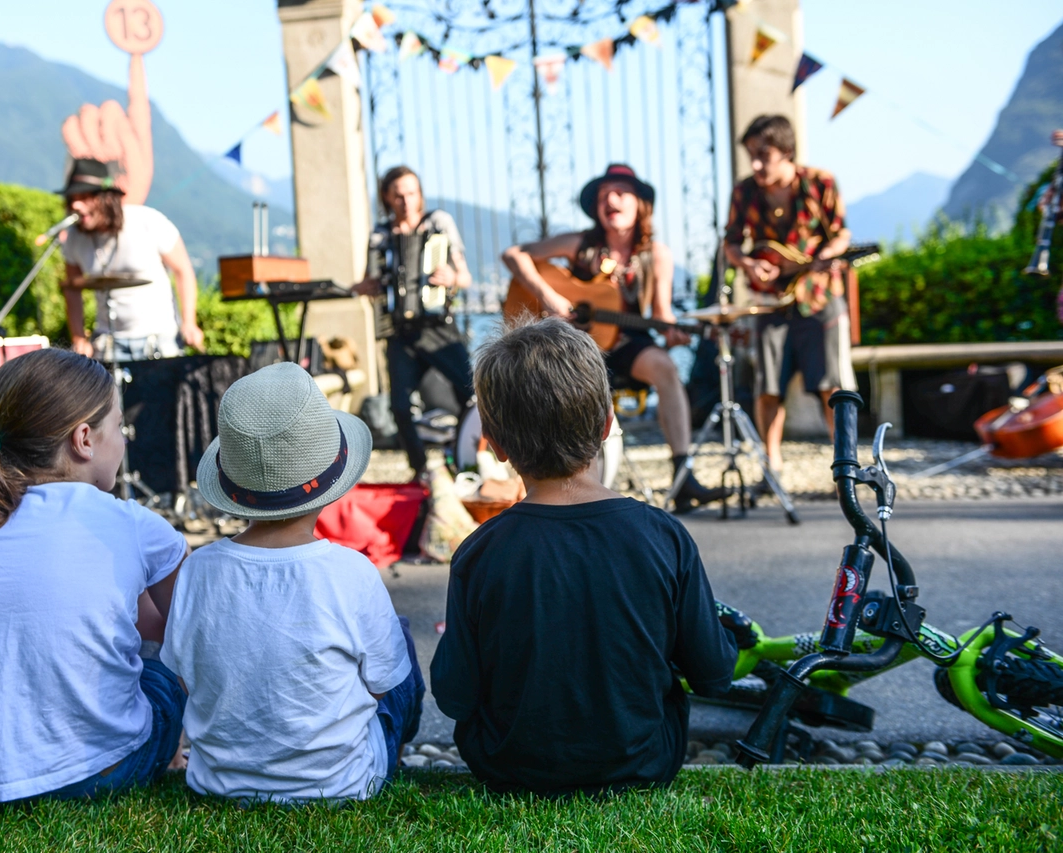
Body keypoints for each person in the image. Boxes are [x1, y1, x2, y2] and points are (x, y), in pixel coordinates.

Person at [430, 317, 737, 796]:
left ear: (495, 441)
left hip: (508, 767)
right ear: (607, 424)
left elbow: (454, 694)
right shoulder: (663, 536)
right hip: (645, 762)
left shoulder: (479, 552)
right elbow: (715, 674)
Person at [0, 348, 189, 802]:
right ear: (84, 439)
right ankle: (170, 754)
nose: (123, 440)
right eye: (119, 427)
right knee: (167, 667)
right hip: (106, 769)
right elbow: (197, 631)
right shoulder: (128, 521)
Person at [161, 362, 425, 804]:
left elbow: (185, 681)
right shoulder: (351, 572)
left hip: (219, 784)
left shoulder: (198, 569)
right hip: (342, 785)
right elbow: (383, 685)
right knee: (396, 635)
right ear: (331, 482)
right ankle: (391, 756)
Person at [502, 163, 728, 512]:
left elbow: (662, 312)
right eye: (604, 195)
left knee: (666, 370)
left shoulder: (656, 255)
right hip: (574, 345)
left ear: (640, 204)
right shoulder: (580, 244)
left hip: (625, 343)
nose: (611, 200)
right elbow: (514, 254)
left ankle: (683, 475)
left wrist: (672, 332)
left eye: (621, 192)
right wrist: (547, 296)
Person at [723, 115, 855, 477]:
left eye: (764, 155)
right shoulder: (744, 191)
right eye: (751, 155)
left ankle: (844, 468)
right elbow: (731, 242)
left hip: (819, 298)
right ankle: (772, 466)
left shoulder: (820, 183)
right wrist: (748, 265)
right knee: (768, 386)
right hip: (769, 302)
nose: (756, 164)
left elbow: (841, 234)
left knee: (832, 386)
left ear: (787, 152)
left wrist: (826, 258)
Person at [353, 166, 474, 482]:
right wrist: (366, 287)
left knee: (472, 395)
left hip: (437, 328)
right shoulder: (380, 236)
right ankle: (420, 470)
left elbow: (465, 276)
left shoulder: (439, 223)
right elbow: (371, 282)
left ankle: (465, 458)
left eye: (411, 193)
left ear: (420, 194)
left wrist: (452, 279)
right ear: (387, 198)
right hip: (400, 333)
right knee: (400, 407)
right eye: (398, 195)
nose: (406, 201)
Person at [59, 157, 205, 361]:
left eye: (84, 197)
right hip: (109, 342)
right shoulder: (75, 238)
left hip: (159, 339)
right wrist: (78, 337)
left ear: (106, 198)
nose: (76, 204)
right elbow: (72, 288)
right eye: (72, 198)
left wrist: (189, 322)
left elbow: (183, 270)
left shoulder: (147, 221)